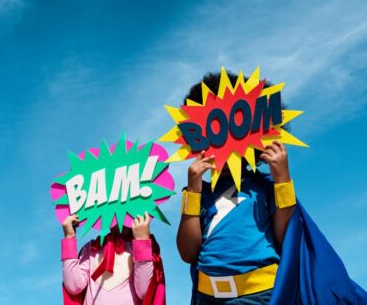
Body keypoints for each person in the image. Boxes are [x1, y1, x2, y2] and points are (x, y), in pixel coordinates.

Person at [177, 71, 297, 304]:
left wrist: (283, 179)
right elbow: (188, 253)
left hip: (261, 296)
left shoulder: (265, 186)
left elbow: (287, 238)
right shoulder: (200, 193)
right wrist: (193, 191)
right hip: (208, 298)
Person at [61, 212, 165, 305]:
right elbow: (73, 287)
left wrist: (142, 243)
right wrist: (69, 237)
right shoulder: (92, 247)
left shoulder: (145, 247)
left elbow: (144, 293)